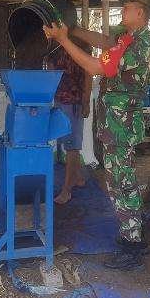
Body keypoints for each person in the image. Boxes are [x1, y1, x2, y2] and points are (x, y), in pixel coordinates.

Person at [43, 0, 150, 271]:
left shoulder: (138, 44)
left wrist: (64, 40)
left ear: (141, 13)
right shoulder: (127, 37)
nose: (123, 10)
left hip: (121, 126)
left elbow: (96, 67)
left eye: (128, 7)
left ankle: (132, 244)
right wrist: (72, 30)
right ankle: (130, 233)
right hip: (116, 124)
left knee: (122, 181)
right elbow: (105, 40)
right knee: (118, 180)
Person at [49, 38, 93, 204]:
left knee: (72, 147)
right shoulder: (54, 48)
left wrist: (86, 101)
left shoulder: (82, 46)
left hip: (74, 102)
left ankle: (66, 190)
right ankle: (77, 176)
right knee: (67, 141)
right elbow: (51, 74)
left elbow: (88, 74)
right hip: (60, 100)